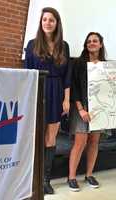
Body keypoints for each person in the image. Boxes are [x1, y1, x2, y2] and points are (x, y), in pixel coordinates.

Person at [24, 7, 71, 194]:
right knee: (35, 136)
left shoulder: (64, 46)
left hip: (57, 91)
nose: (48, 23)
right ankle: (31, 177)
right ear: (41, 22)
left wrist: (66, 99)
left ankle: (45, 179)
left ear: (57, 23)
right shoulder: (32, 44)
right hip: (38, 90)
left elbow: (67, 76)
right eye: (45, 19)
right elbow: (27, 73)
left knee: (51, 137)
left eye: (52, 20)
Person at [68, 32, 106, 191]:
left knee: (94, 142)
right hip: (80, 108)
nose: (92, 43)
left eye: (95, 41)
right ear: (86, 45)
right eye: (89, 41)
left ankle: (89, 174)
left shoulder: (106, 66)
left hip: (98, 109)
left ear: (100, 44)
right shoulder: (78, 63)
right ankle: (71, 177)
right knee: (80, 142)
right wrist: (81, 109)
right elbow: (74, 87)